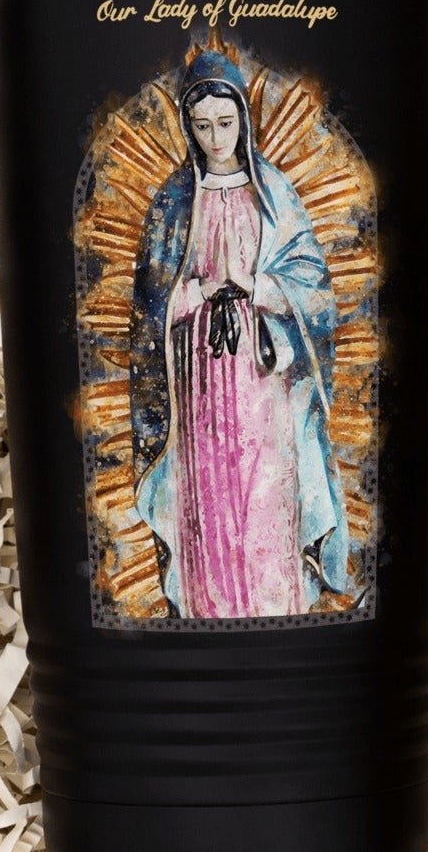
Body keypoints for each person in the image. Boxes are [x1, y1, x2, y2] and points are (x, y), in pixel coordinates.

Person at [131, 51, 348, 619]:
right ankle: (209, 611)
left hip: (262, 371)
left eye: (225, 123)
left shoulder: (272, 192)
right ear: (188, 127)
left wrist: (257, 285)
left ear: (243, 121)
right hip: (198, 372)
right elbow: (150, 303)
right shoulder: (175, 202)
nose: (215, 138)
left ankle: (274, 607)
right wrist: (197, 293)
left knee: (263, 490)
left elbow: (312, 282)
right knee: (208, 490)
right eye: (202, 126)